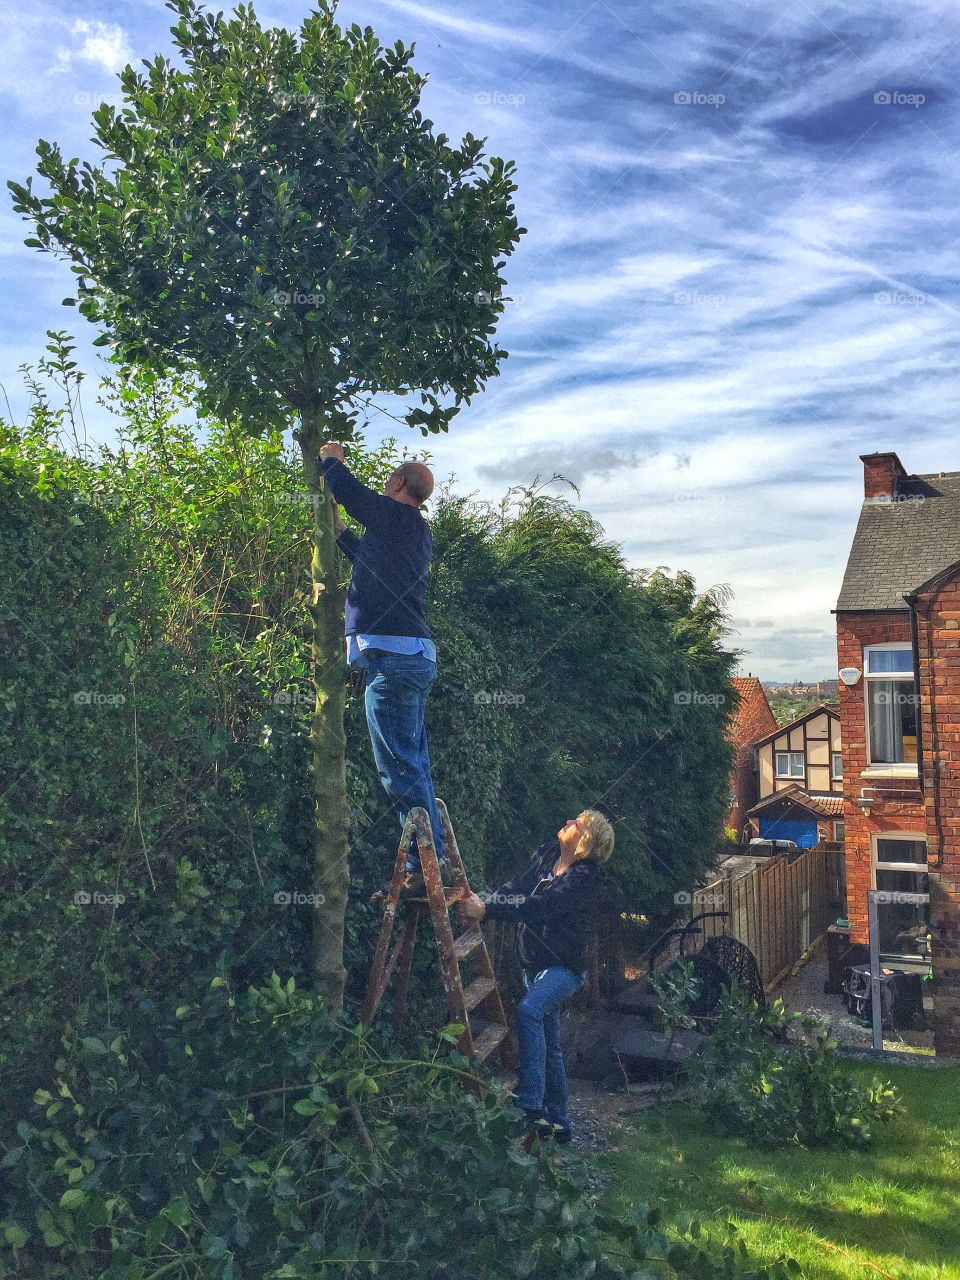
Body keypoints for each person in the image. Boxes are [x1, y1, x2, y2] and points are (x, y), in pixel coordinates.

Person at [317, 442, 448, 889]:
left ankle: (422, 864)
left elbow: (352, 493)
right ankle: (435, 857)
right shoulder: (413, 532)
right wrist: (340, 536)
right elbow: (376, 569)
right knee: (414, 763)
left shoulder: (394, 516)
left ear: (396, 484)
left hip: (393, 664)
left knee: (399, 768)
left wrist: (332, 459)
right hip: (410, 659)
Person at [458, 809, 615, 1144]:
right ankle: (559, 1123)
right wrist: (487, 905)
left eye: (578, 824)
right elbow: (517, 887)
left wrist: (488, 911)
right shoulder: (547, 854)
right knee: (552, 1045)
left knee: (529, 1011)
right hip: (533, 965)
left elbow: (540, 905)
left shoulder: (585, 879)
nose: (569, 822)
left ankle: (530, 1105)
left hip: (564, 969)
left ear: (585, 842)